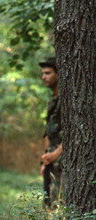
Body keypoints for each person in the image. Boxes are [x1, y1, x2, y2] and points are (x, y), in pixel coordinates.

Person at [38, 57, 63, 207]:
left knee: (62, 202)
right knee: (49, 203)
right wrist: (45, 161)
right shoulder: (53, 100)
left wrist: (55, 154)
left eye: (48, 73)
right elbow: (49, 132)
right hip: (51, 160)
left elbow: (73, 134)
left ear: (59, 74)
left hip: (63, 160)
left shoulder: (66, 100)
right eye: (42, 73)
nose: (43, 77)